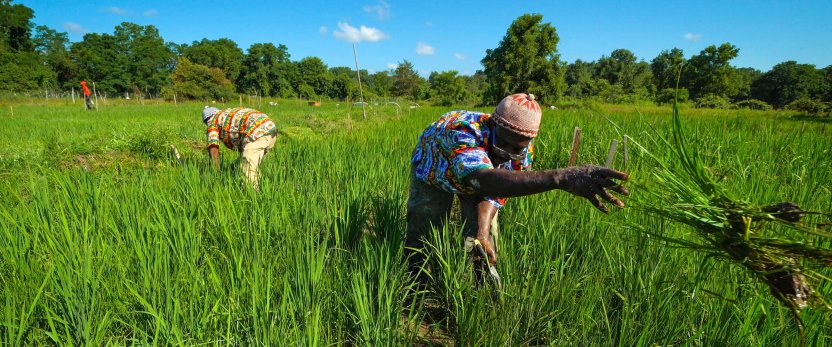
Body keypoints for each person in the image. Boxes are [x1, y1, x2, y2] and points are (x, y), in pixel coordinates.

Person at [405, 93, 629, 284]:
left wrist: (481, 232)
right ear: (493, 123)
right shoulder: (462, 132)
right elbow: (482, 180)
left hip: (481, 176)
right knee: (426, 223)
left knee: (486, 236)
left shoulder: (523, 153)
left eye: (517, 147)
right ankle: (416, 281)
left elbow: (494, 193)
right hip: (436, 169)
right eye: (503, 142)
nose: (507, 152)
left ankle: (475, 289)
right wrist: (560, 178)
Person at [202, 106, 278, 189]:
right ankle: (260, 186)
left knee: (248, 167)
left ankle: (252, 195)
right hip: (270, 128)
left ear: (207, 120)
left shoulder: (213, 122)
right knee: (241, 165)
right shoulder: (227, 114)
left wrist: (215, 176)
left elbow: (213, 150)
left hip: (256, 132)